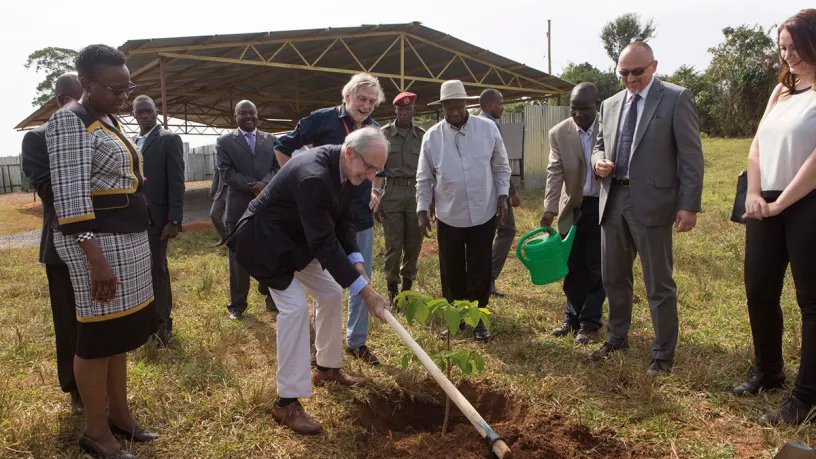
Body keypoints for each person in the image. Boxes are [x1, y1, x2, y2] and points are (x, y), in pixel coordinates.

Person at [227, 127, 391, 435]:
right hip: (265, 243)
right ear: (350, 152)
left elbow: (343, 221)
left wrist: (356, 261)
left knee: (329, 292)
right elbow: (324, 243)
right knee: (294, 309)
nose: (370, 176)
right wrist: (364, 290)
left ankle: (328, 368)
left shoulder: (348, 171)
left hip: (296, 240)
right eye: (368, 167)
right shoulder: (314, 175)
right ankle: (285, 403)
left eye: (376, 171)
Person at [46, 44, 159, 459]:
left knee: (119, 334)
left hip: (124, 239)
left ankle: (120, 415)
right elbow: (70, 197)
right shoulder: (69, 121)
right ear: (88, 83)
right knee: (96, 337)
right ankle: (95, 430)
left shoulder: (106, 118)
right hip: (94, 245)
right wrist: (95, 259)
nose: (124, 96)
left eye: (128, 88)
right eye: (116, 89)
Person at [590, 41, 705, 376]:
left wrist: (689, 205)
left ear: (653, 66)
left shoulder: (675, 98)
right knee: (613, 276)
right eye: (623, 72)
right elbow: (598, 144)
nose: (630, 79)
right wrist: (598, 162)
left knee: (658, 283)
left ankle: (662, 353)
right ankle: (616, 337)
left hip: (653, 204)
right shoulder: (610, 105)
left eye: (637, 71)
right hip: (613, 200)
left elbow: (691, 155)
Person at [736, 8, 816, 426]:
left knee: (811, 302)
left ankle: (806, 397)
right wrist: (753, 192)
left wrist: (782, 202)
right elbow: (757, 145)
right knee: (759, 289)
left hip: (807, 203)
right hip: (763, 202)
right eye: (783, 48)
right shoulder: (782, 90)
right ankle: (769, 371)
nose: (789, 56)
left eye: (796, 47)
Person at [274, 72, 385, 365]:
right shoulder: (322, 120)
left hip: (358, 214)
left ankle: (357, 341)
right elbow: (282, 146)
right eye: (362, 98)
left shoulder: (374, 130)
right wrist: (299, 188)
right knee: (325, 279)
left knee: (362, 276)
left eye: (372, 101)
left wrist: (375, 190)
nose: (366, 105)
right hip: (323, 215)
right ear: (346, 96)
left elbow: (380, 171)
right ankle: (320, 347)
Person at [417, 80, 512, 342]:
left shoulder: (487, 129)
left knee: (480, 267)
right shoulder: (432, 137)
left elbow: (501, 166)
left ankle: (479, 319)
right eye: (449, 107)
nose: (454, 111)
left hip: (483, 212)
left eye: (458, 105)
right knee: (451, 270)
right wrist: (422, 209)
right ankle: (455, 318)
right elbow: (424, 178)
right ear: (443, 107)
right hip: (449, 215)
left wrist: (503, 195)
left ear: (465, 104)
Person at [21, 72, 84, 414]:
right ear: (63, 101)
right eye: (81, 98)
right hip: (62, 246)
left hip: (104, 242)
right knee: (69, 320)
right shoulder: (37, 139)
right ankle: (74, 387)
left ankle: (98, 379)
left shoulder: (97, 132)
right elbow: (52, 194)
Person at [541, 83, 606, 345]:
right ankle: (572, 316)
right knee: (572, 265)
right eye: (573, 109)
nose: (577, 114)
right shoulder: (559, 133)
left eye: (584, 109)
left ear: (596, 105)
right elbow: (554, 171)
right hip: (574, 207)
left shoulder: (610, 128)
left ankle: (590, 322)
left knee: (596, 266)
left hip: (602, 205)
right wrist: (549, 208)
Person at [216, 100, 279, 320]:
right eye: (243, 113)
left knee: (270, 254)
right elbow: (227, 172)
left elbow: (277, 167)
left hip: (267, 207)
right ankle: (237, 305)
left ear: (257, 114)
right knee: (238, 258)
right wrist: (253, 187)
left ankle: (271, 297)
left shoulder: (271, 140)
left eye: (252, 112)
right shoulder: (224, 142)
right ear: (235, 116)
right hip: (238, 207)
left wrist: (265, 184)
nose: (248, 117)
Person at [132, 95, 185, 346]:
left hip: (158, 220)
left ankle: (163, 325)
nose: (144, 116)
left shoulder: (168, 139)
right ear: (133, 114)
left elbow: (176, 181)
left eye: (148, 111)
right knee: (138, 272)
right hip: (133, 220)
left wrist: (174, 219)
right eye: (139, 112)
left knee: (157, 270)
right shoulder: (132, 141)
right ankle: (142, 326)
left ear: (156, 112)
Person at [372, 92, 425, 303]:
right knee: (393, 245)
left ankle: (407, 288)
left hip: (416, 192)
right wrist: (377, 197)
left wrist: (429, 200)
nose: (405, 113)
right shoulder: (383, 134)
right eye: (401, 110)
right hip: (391, 193)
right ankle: (392, 290)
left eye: (409, 109)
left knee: (414, 243)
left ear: (413, 110)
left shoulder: (422, 135)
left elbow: (430, 169)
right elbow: (376, 168)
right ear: (395, 110)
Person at [478, 89, 521, 297]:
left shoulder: (476, 125)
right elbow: (499, 164)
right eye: (500, 104)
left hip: (483, 190)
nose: (503, 107)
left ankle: (483, 278)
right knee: (506, 230)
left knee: (487, 233)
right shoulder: (489, 125)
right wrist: (511, 192)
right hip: (496, 192)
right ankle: (488, 278)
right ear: (489, 105)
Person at [210, 167, 228, 246]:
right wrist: (212, 190)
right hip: (221, 192)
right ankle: (225, 236)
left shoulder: (238, 156)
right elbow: (216, 176)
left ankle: (234, 239)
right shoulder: (220, 156)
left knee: (230, 218)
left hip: (234, 191)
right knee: (214, 215)